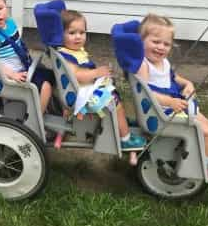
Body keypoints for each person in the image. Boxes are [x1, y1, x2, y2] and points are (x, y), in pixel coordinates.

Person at [136, 13, 208, 185]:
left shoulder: (162, 62)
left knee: (207, 124)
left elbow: (172, 78)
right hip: (161, 111)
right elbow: (145, 93)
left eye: (166, 44)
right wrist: (170, 102)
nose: (161, 47)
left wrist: (187, 83)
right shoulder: (143, 65)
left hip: (171, 105)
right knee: (203, 130)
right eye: (155, 42)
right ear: (141, 40)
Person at [58, 10, 145, 161]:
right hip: (81, 94)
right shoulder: (66, 55)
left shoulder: (74, 50)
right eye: (72, 33)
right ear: (61, 34)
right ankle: (125, 138)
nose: (78, 36)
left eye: (82, 32)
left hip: (85, 88)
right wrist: (97, 73)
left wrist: (100, 74)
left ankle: (121, 121)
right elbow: (77, 75)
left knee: (113, 88)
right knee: (113, 101)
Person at [0, 0, 55, 113]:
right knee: (45, 87)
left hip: (24, 69)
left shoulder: (10, 22)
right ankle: (34, 123)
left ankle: (49, 111)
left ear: (6, 7)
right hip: (9, 78)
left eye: (0, 8)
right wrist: (12, 74)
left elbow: (18, 46)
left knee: (52, 75)